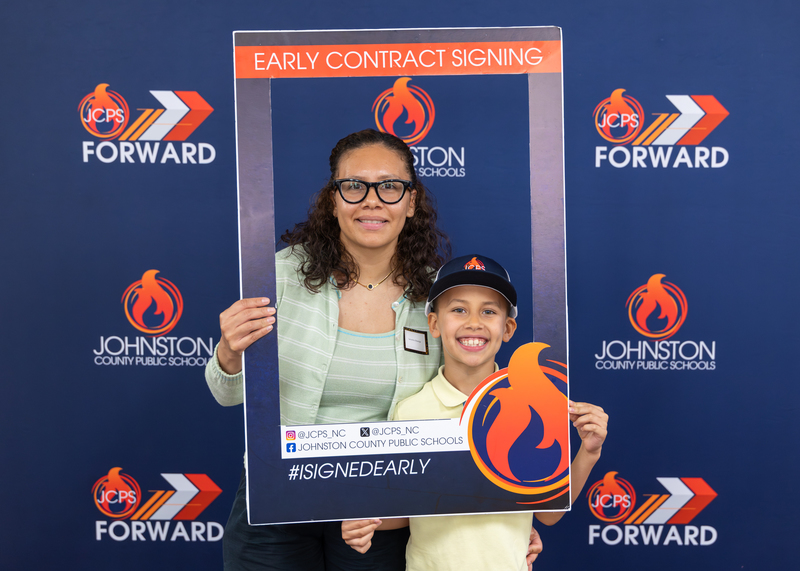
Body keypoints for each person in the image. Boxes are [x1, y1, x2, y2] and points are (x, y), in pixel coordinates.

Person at [205, 129, 450, 570]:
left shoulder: (437, 295)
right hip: (277, 495)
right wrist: (229, 351)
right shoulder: (276, 276)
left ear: (411, 202)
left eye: (390, 187)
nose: (371, 200)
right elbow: (226, 394)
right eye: (354, 186)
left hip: (380, 508)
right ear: (333, 199)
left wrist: (503, 517)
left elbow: (465, 402)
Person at [342, 254, 608, 571]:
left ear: (508, 328)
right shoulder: (411, 411)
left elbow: (548, 513)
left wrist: (588, 454)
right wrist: (365, 522)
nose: (473, 322)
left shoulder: (535, 407)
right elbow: (407, 508)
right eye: (458, 309)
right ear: (434, 323)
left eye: (489, 311)